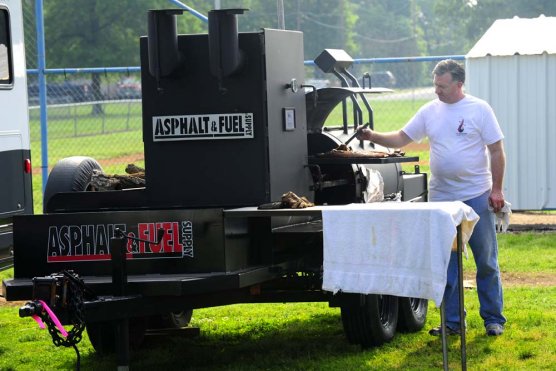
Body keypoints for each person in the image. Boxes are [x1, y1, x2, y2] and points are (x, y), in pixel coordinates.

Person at [356, 59, 507, 336]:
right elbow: (402, 137)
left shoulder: (479, 109)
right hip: (442, 200)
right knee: (446, 263)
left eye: (442, 86)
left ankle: (493, 319)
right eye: (435, 85)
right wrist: (372, 135)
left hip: (476, 195)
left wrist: (497, 190)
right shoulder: (429, 111)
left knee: (485, 261)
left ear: (459, 84)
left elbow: (497, 151)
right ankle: (452, 322)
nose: (437, 90)